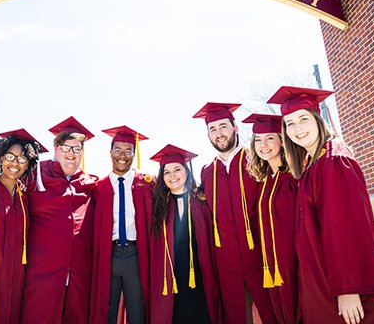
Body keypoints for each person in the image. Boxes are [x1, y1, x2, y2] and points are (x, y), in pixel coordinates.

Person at [267, 86, 374, 324]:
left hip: (345, 287)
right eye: (289, 123)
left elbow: (348, 229)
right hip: (323, 280)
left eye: (303, 119)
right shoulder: (313, 163)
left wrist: (349, 289)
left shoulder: (334, 161)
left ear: (318, 119)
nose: (297, 129)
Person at [193, 102, 276, 323]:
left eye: (223, 126)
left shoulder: (257, 160)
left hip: (260, 258)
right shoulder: (208, 171)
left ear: (235, 128)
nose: (218, 134)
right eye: (212, 129)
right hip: (226, 263)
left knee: (271, 313)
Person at [20, 116, 98, 324]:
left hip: (77, 278)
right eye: (66, 147)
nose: (71, 154)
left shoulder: (90, 184)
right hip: (41, 275)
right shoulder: (34, 176)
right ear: (55, 148)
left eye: (77, 149)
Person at [0, 128, 46, 324]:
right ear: (0, 157)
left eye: (22, 159)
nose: (15, 163)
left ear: (28, 164)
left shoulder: (24, 199)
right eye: (10, 156)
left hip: (14, 281)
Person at [148, 144, 220, 324]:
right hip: (172, 278)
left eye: (177, 169)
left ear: (187, 172)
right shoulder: (159, 207)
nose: (172, 175)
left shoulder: (202, 203)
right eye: (166, 172)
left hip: (200, 274)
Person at [90, 126, 155, 324]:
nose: (122, 155)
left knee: (137, 310)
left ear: (134, 154)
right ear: (110, 152)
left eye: (128, 151)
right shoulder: (99, 186)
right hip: (109, 254)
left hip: (135, 254)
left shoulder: (146, 183)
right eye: (117, 149)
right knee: (106, 309)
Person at [243, 113, 300, 324]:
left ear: (282, 140)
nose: (263, 144)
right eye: (258, 140)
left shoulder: (295, 176)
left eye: (269, 138)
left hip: (295, 262)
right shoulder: (265, 181)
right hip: (271, 265)